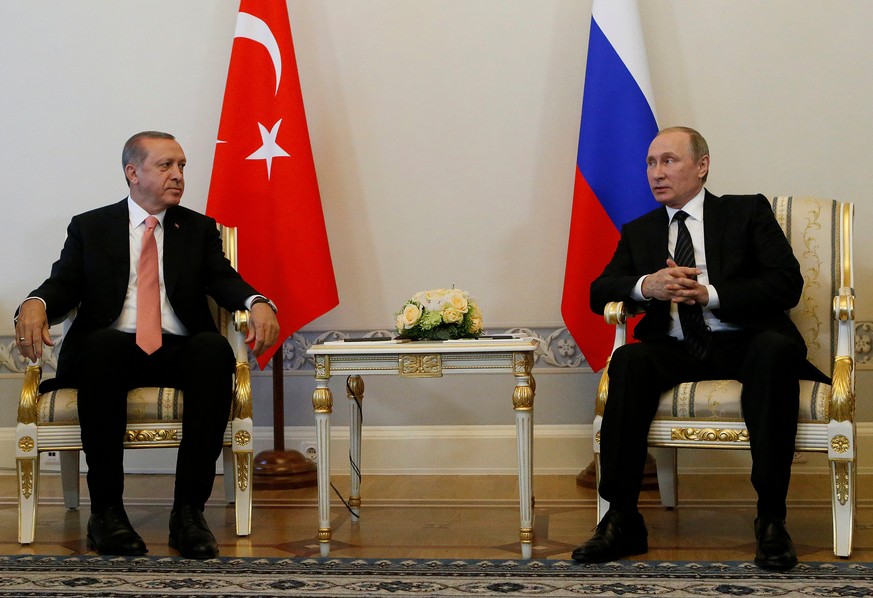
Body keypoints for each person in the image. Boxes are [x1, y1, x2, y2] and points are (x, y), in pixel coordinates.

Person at [13, 131, 280, 559]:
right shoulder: (91, 227)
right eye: (166, 166)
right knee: (100, 347)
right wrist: (35, 301)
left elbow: (223, 279)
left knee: (212, 349)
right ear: (132, 173)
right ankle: (107, 514)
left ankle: (188, 514)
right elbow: (64, 282)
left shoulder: (197, 228)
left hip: (176, 349)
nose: (178, 175)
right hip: (111, 351)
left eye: (182, 167)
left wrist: (257, 300)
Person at [573, 126, 829, 571]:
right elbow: (599, 291)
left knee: (773, 351)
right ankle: (622, 518)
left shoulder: (747, 212)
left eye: (669, 161)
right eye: (651, 163)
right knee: (629, 360)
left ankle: (771, 519)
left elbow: (786, 284)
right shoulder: (640, 231)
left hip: (745, 340)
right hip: (677, 346)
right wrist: (646, 285)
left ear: (702, 166)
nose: (656, 173)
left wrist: (707, 294)